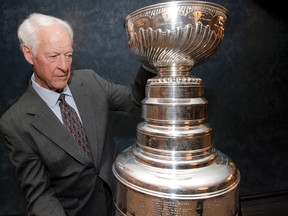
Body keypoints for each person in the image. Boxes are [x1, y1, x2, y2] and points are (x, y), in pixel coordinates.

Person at [0, 13, 155, 216]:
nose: (64, 66)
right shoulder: (15, 123)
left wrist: (150, 60)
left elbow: (135, 99)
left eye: (69, 55)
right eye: (53, 56)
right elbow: (40, 196)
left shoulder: (90, 81)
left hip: (124, 204)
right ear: (29, 54)